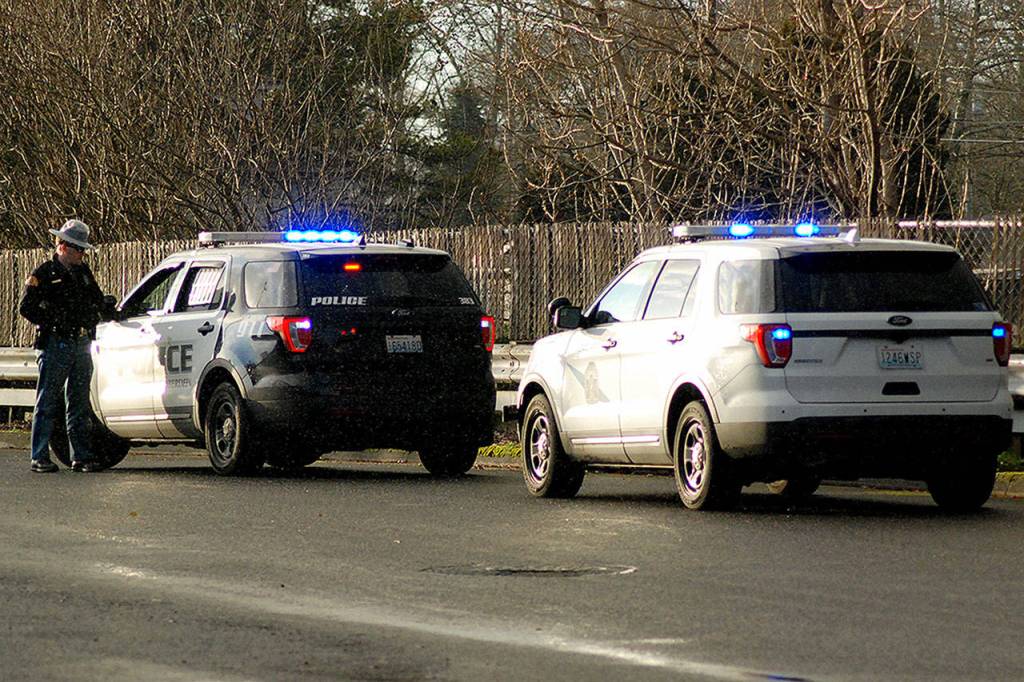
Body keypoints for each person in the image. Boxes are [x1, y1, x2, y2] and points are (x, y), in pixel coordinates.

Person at [19, 219, 106, 473]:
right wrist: (54, 320)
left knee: (79, 403)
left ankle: (81, 456)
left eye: (83, 249)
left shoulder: (83, 273)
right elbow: (27, 307)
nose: (81, 254)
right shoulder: (44, 273)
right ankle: (39, 456)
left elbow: (97, 301)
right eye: (78, 249)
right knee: (47, 402)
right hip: (55, 343)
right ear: (63, 247)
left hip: (81, 342)